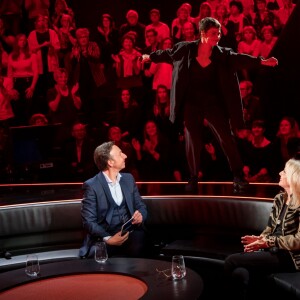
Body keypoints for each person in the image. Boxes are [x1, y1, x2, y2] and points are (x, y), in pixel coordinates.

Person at [142, 17, 278, 193]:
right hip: (192, 103)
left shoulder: (222, 54)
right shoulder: (186, 49)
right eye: (214, 33)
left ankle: (238, 175)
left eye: (219, 32)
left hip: (212, 102)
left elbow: (240, 59)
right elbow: (166, 54)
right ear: (203, 33)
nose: (218, 36)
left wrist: (262, 61)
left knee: (226, 136)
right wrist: (149, 56)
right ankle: (193, 177)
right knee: (192, 138)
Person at [224, 156, 300, 299]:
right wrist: (260, 238)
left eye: (284, 171)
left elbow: (298, 241)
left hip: (291, 257)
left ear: (293, 177)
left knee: (231, 261)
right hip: (272, 249)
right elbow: (270, 228)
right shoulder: (280, 198)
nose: (280, 173)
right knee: (243, 271)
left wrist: (268, 242)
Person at [79, 141, 148, 259]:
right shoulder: (92, 185)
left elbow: (141, 206)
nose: (125, 156)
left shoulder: (128, 179)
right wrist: (109, 239)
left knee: (141, 247)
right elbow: (89, 221)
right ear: (110, 162)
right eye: (120, 154)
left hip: (130, 233)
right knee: (97, 256)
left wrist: (141, 215)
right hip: (105, 237)